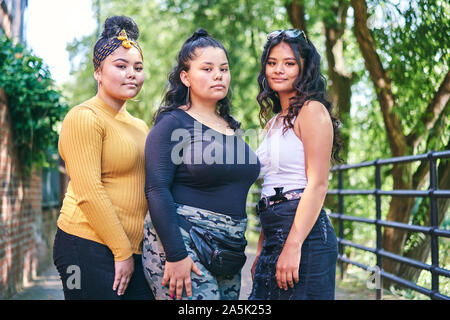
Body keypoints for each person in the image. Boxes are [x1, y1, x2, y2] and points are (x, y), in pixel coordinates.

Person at [142, 29, 260, 300]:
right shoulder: (172, 123)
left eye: (223, 69)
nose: (218, 75)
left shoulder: (233, 128)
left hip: (227, 251)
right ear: (185, 77)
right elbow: (156, 190)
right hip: (182, 245)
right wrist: (176, 255)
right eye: (207, 69)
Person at [53, 16, 154, 300]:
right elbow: (88, 192)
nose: (131, 73)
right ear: (98, 72)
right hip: (83, 246)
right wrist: (122, 251)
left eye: (138, 67)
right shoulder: (84, 117)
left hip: (131, 251)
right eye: (120, 66)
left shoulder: (139, 126)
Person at [249, 29, 341, 300]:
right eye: (272, 62)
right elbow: (270, 186)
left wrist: (293, 246)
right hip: (273, 235)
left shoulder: (312, 111)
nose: (279, 70)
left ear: (304, 69)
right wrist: (261, 250)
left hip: (306, 238)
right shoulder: (274, 122)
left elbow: (317, 183)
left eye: (289, 63)